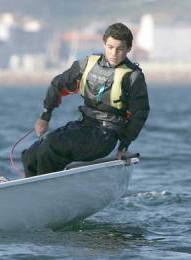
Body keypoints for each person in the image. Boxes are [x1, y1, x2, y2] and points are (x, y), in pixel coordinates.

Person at [21, 22, 150, 177]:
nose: (114, 53)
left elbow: (140, 113)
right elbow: (58, 83)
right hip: (82, 126)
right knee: (31, 155)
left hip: (105, 135)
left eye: (120, 49)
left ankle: (45, 192)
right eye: (110, 47)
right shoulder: (87, 64)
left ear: (128, 49)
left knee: (51, 146)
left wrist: (124, 146)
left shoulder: (133, 76)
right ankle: (31, 191)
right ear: (104, 43)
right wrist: (45, 117)